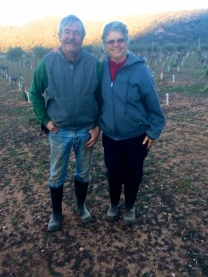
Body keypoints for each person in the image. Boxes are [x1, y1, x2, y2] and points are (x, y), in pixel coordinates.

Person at [29, 15, 102, 232]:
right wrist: (45, 120)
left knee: (84, 172)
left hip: (86, 131)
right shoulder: (48, 62)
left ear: (83, 37)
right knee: (56, 174)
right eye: (68, 31)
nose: (72, 36)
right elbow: (34, 93)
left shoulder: (94, 64)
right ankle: (56, 213)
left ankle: (81, 206)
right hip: (59, 131)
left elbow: (102, 98)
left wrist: (98, 126)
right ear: (60, 35)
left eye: (77, 32)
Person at [99, 21, 165, 225]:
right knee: (113, 173)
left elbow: (154, 106)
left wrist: (153, 133)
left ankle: (129, 207)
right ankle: (113, 204)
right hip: (110, 135)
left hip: (136, 136)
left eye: (120, 40)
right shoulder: (100, 69)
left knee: (133, 173)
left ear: (126, 41)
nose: (116, 44)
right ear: (105, 44)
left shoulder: (140, 70)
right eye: (111, 41)